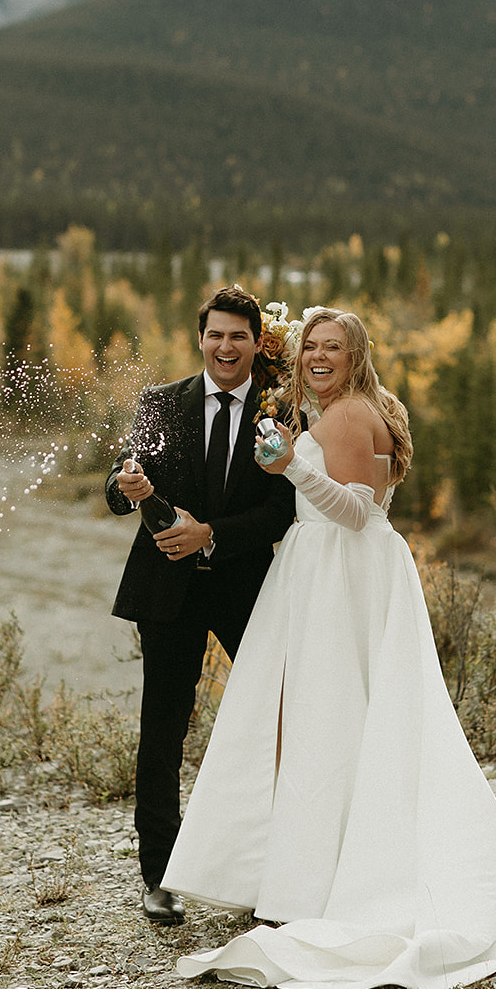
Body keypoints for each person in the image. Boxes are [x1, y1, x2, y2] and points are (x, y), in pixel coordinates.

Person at [162, 307, 496, 989]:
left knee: (324, 724)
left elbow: (357, 512)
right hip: (332, 573)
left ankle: (325, 884)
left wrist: (293, 465)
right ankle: (320, 874)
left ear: (356, 357)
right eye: (311, 348)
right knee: (336, 723)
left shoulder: (352, 415)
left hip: (337, 574)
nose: (318, 358)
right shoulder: (347, 410)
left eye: (333, 348)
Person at [105, 286, 296, 925]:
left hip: (247, 589)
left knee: (278, 722)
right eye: (215, 334)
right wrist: (125, 485)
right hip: (168, 592)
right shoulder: (162, 404)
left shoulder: (280, 414)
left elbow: (282, 509)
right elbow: (119, 478)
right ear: (200, 338)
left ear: (256, 343)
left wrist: (210, 534)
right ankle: (159, 877)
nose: (225, 346)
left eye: (238, 336)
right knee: (162, 732)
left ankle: (282, 866)